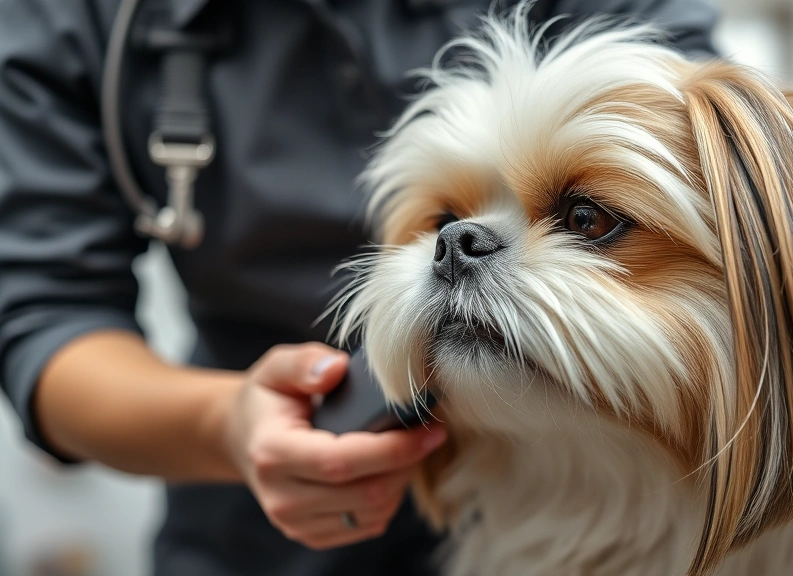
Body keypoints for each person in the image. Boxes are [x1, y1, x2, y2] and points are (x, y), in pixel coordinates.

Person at [0, 1, 719, 575]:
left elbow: (700, 173)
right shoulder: (81, 18)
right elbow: (46, 314)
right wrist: (228, 425)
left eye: (585, 220)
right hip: (255, 538)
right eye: (443, 222)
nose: (460, 246)